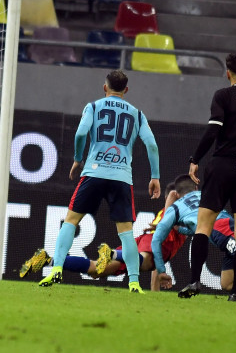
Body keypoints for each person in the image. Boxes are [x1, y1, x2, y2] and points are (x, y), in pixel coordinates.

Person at [39, 70, 161, 294]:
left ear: (105, 87)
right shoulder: (137, 114)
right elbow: (151, 144)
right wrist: (155, 176)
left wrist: (77, 159)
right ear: (126, 90)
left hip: (93, 173)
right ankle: (133, 282)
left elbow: (80, 133)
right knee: (125, 233)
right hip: (121, 177)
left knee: (71, 220)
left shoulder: (93, 107)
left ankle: (57, 268)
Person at [20, 183, 183, 291]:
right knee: (143, 260)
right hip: (154, 242)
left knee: (97, 270)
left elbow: (156, 263)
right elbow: (173, 214)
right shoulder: (184, 212)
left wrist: (155, 293)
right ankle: (112, 253)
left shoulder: (178, 213)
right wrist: (170, 205)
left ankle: (47, 259)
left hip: (148, 242)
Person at [182, 53, 236, 302]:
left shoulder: (223, 95)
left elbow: (213, 129)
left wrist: (195, 159)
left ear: (228, 73)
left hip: (222, 166)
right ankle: (235, 294)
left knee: (203, 225)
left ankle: (194, 281)